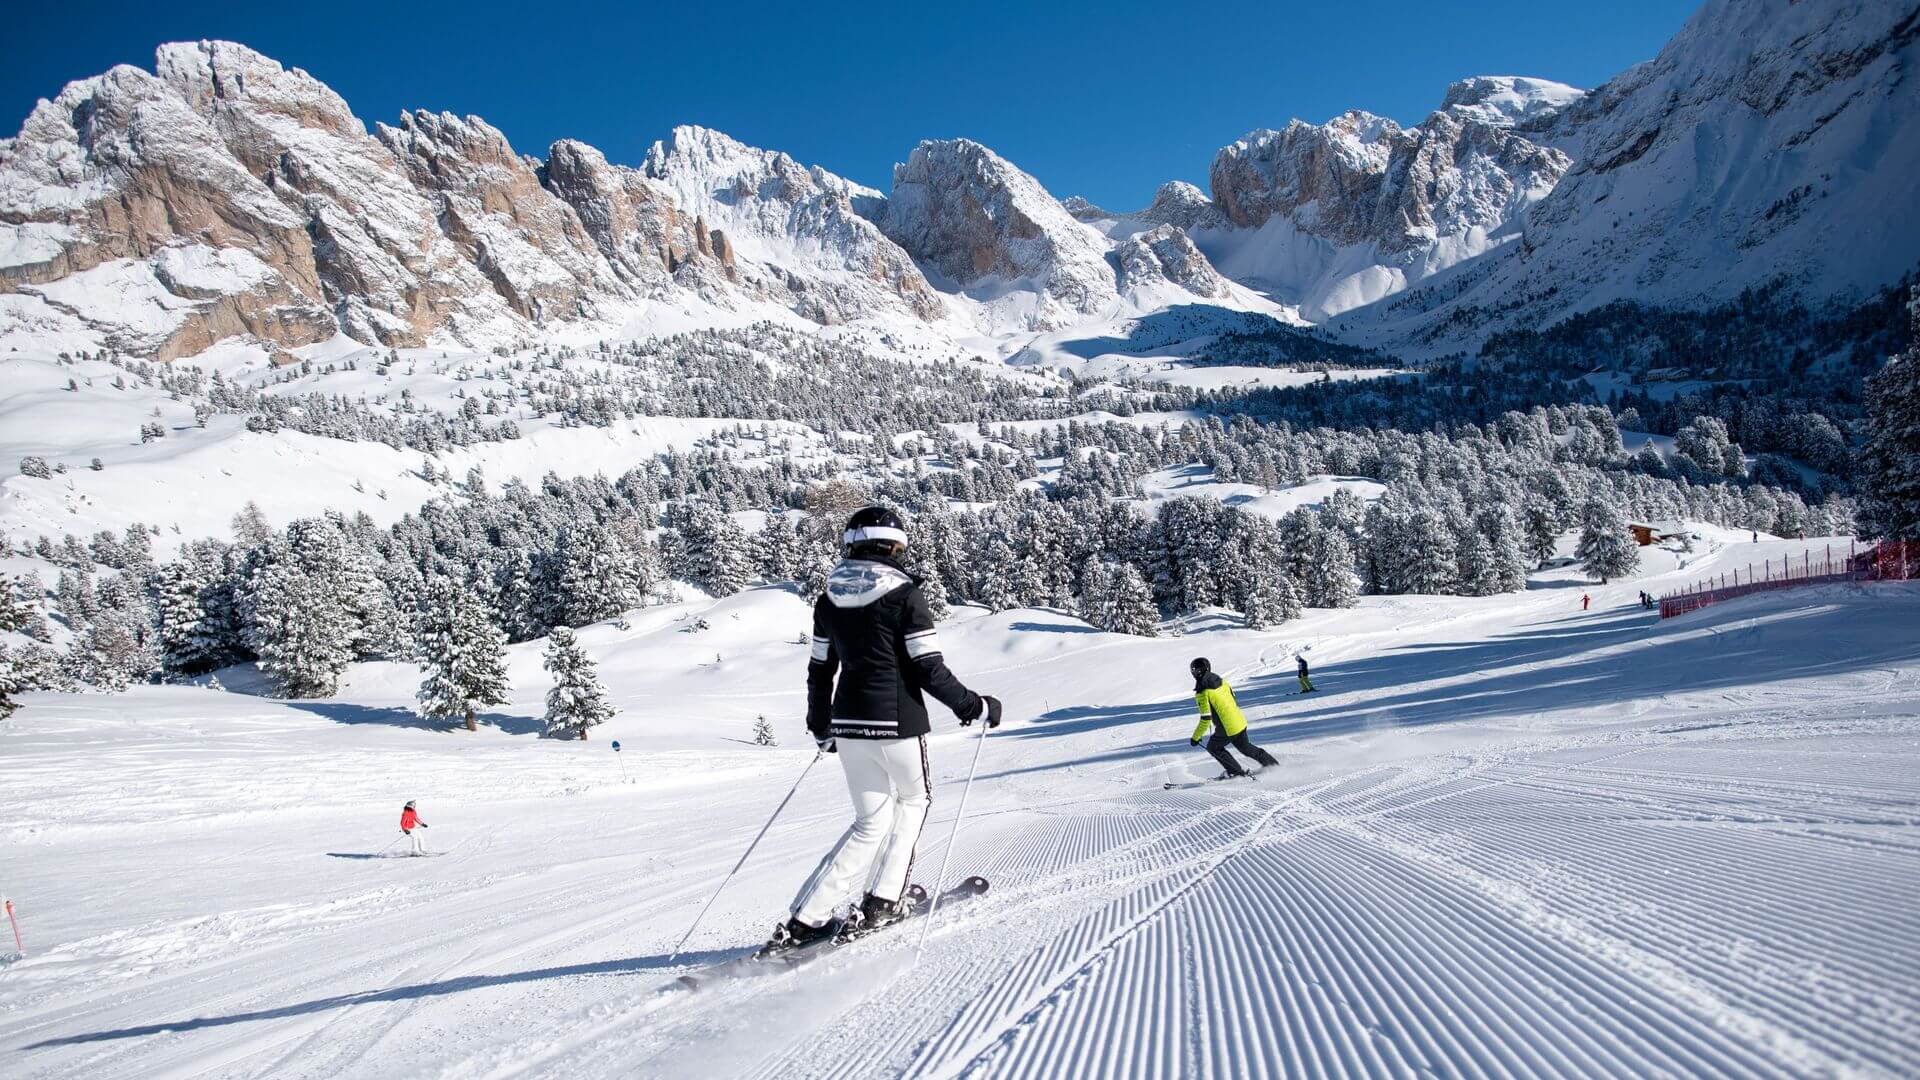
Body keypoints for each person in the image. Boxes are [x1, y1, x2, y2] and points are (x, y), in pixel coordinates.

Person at [767, 507, 1001, 955]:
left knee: (869, 821)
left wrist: (821, 726)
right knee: (914, 801)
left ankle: (806, 921)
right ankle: (882, 902)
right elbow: (928, 667)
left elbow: (820, 670)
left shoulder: (827, 599)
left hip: (848, 724)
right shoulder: (905, 595)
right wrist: (976, 706)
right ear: (895, 546)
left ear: (852, 544)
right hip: (898, 723)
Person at [1188, 658, 1277, 778]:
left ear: (1195, 673)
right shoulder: (1222, 682)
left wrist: (1196, 737)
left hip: (1227, 728)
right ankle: (1272, 765)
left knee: (1213, 747)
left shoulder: (1202, 693)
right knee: (1246, 748)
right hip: (1239, 721)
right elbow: (1232, 698)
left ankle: (1235, 772)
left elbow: (1205, 719)